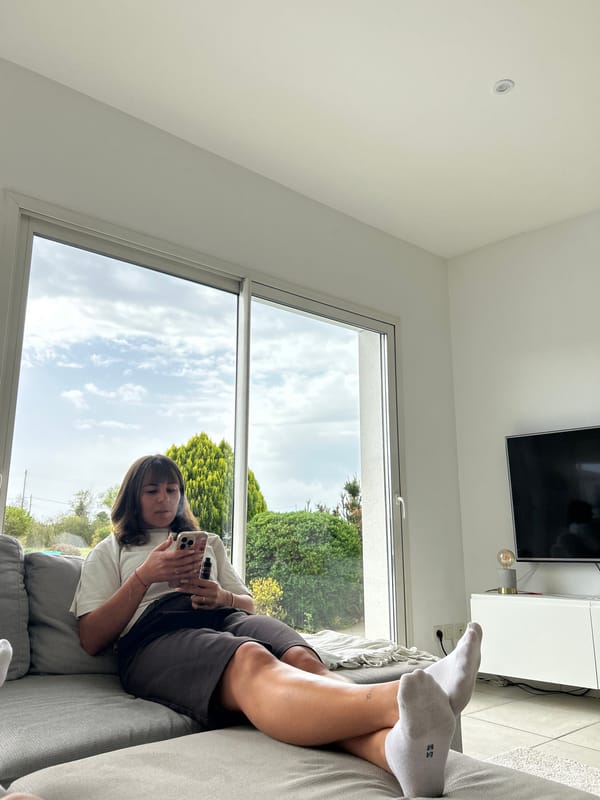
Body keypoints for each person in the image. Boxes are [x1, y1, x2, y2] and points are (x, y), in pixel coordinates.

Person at [70, 454, 482, 798]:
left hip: (221, 615)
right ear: (132, 496)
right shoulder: (111, 550)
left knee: (301, 658)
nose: (165, 498)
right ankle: (404, 694)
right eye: (152, 490)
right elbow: (91, 637)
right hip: (155, 637)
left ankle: (398, 756)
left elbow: (247, 603)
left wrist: (221, 596)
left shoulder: (206, 541)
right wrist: (145, 575)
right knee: (248, 657)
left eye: (172, 489)